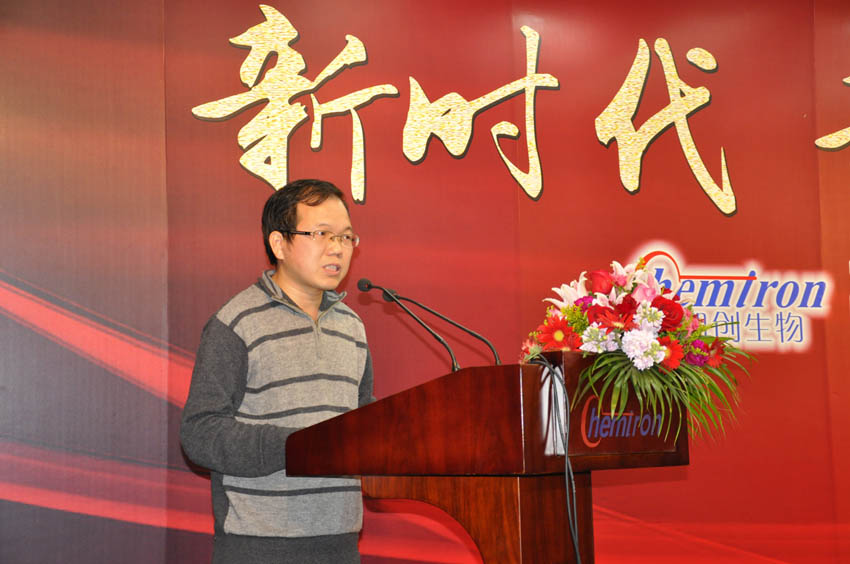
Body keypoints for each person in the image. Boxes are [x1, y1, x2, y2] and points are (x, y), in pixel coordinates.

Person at [181, 179, 374, 564]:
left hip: (340, 543)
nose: (337, 248)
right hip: (259, 545)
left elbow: (363, 423)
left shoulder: (352, 327)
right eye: (321, 234)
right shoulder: (236, 324)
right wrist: (298, 446)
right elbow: (200, 433)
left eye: (345, 237)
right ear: (279, 244)